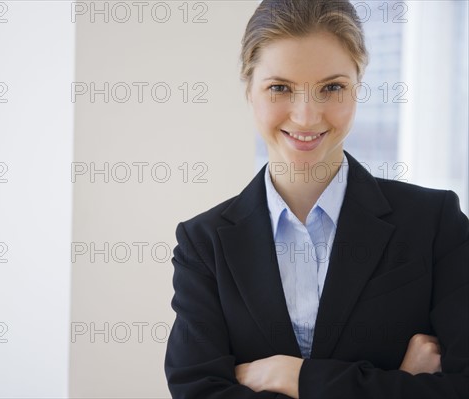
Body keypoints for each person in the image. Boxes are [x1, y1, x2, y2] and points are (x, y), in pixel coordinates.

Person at [164, 0, 469, 398]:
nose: (306, 116)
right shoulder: (204, 245)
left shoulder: (434, 223)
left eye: (331, 87)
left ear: (358, 86)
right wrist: (401, 381)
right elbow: (195, 391)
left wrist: (291, 376)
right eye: (280, 88)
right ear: (248, 89)